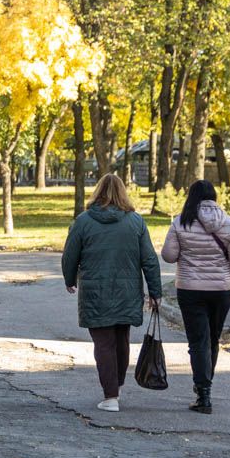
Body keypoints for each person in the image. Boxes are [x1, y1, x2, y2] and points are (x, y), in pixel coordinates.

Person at [62, 174, 163, 413]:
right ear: (123, 193)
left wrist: (69, 279)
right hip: (127, 292)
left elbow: (70, 254)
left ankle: (110, 396)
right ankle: (116, 385)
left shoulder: (83, 221)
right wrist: (155, 292)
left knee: (104, 343)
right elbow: (149, 259)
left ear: (97, 192)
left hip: (95, 292)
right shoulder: (136, 222)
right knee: (121, 340)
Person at [160, 180, 230, 415]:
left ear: (191, 197)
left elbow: (168, 256)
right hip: (222, 290)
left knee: (198, 341)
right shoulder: (228, 223)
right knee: (213, 339)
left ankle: (203, 393)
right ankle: (206, 387)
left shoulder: (181, 222)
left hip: (190, 289)